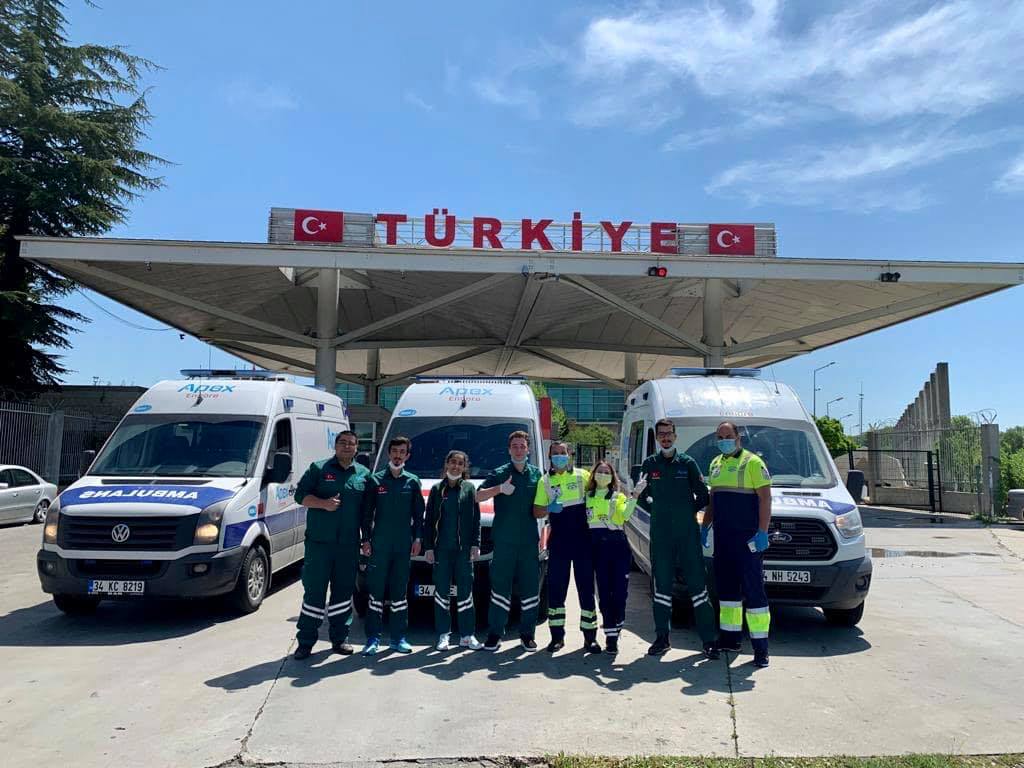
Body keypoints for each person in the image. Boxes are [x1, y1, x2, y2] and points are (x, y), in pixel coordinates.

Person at [641, 418, 720, 660]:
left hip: (687, 535)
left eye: (669, 433)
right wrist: (657, 510)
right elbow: (641, 495)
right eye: (661, 434)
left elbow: (703, 496)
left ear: (675, 436)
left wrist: (686, 511)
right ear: (657, 438)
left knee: (698, 587)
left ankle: (709, 641)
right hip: (661, 535)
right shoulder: (650, 464)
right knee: (662, 587)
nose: (665, 438)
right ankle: (662, 638)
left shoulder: (687, 463)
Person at [292, 430, 369, 659]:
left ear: (357, 448)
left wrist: (366, 539)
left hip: (348, 546)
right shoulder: (319, 469)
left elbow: (366, 512)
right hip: (320, 545)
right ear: (335, 446)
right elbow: (300, 496)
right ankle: (305, 642)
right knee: (314, 594)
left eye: (351, 443)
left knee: (343, 594)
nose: (347, 446)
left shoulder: (363, 474)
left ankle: (340, 639)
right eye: (342, 442)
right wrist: (323, 503)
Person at [703, 421, 773, 668]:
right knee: (728, 594)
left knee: (754, 593)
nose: (724, 440)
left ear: (738, 437)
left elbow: (765, 499)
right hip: (723, 540)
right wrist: (705, 526)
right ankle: (730, 640)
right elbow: (713, 500)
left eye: (728, 436)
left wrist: (762, 531)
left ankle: (761, 649)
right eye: (720, 437)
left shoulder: (753, 462)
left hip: (748, 540)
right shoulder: (715, 463)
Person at [476, 430, 543, 652]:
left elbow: (542, 507)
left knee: (530, 589)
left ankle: (527, 635)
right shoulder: (500, 473)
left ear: (528, 449)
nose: (519, 450)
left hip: (528, 542)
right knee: (500, 589)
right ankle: (495, 634)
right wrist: (499, 489)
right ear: (509, 449)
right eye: (515, 446)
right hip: (504, 542)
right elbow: (477, 496)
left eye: (522, 446)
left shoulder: (537, 475)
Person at [360, 436, 425, 655]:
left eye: (402, 452)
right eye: (395, 451)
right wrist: (365, 539)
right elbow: (367, 514)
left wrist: (418, 539)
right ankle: (373, 639)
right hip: (380, 545)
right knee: (376, 593)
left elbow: (419, 515)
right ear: (389, 453)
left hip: (402, 545)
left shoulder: (412, 481)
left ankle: (398, 638)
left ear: (408, 455)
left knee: (399, 594)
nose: (398, 455)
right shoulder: (376, 480)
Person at [533, 442, 598, 653]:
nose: (560, 456)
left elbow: (600, 495)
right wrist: (549, 507)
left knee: (586, 590)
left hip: (583, 542)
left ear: (570, 455)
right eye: (556, 453)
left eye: (563, 453)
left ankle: (590, 638)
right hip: (559, 543)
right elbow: (537, 511)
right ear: (550, 456)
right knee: (557, 591)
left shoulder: (583, 476)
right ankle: (556, 637)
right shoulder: (545, 481)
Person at [424, 450, 483, 651]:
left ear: (464, 467)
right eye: (453, 462)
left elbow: (476, 519)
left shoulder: (469, 489)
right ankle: (443, 634)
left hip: (463, 550)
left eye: (460, 463)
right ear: (446, 464)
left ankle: (467, 635)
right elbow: (429, 521)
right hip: (441, 550)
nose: (456, 466)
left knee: (466, 593)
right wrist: (429, 547)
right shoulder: (436, 489)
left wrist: (475, 544)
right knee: (442, 593)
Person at [585, 460, 642, 655]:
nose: (603, 475)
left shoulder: (617, 496)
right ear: (594, 475)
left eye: (606, 472)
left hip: (617, 546)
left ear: (612, 477)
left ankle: (616, 628)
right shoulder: (587, 497)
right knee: (604, 593)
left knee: (619, 593)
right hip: (596, 547)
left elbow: (625, 515)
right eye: (599, 471)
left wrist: (635, 496)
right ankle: (611, 637)